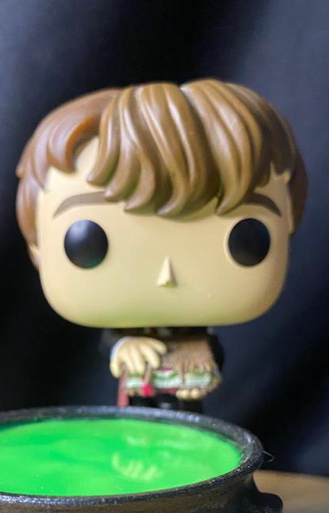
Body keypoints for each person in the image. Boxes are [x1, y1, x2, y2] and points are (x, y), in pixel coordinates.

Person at [16, 79, 307, 411]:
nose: (166, 275)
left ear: (288, 222)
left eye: (246, 240)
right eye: (88, 241)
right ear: (37, 244)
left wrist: (204, 360)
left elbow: (211, 348)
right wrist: (124, 347)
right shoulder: (127, 326)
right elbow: (112, 343)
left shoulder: (195, 325)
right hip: (138, 403)